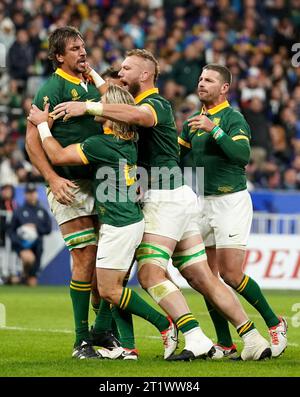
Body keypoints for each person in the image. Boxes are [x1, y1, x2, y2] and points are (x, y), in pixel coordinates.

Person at [51, 49, 272, 361]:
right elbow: (116, 101)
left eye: (126, 68)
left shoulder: (154, 104)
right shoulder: (133, 102)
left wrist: (86, 106)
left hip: (163, 198)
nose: (121, 72)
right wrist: (94, 77)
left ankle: (194, 338)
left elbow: (137, 116)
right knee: (202, 276)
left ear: (144, 75)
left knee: (151, 274)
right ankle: (252, 337)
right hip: (180, 197)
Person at [27, 84, 178, 360]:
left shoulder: (102, 144)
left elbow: (58, 156)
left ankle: (165, 325)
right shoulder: (127, 142)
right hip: (129, 220)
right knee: (110, 285)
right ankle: (111, 338)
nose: (99, 103)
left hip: (119, 225)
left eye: (104, 102)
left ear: (113, 115)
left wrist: (42, 126)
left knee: (109, 289)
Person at [178, 63, 287, 358]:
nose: (202, 83)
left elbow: (242, 156)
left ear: (224, 88)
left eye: (209, 80)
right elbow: (175, 156)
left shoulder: (232, 118)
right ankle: (225, 343)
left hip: (231, 200)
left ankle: (275, 323)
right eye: (200, 78)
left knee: (231, 274)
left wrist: (214, 130)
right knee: (204, 275)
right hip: (203, 202)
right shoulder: (193, 121)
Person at [25, 26, 120, 359]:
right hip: (69, 184)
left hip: (100, 183)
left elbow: (113, 102)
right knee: (85, 257)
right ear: (58, 56)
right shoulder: (51, 89)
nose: (82, 52)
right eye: (75, 49)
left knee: (111, 258)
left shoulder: (90, 83)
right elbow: (31, 140)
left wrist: (93, 73)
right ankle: (82, 340)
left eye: (84, 46)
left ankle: (103, 330)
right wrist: (51, 178)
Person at [8, 183, 52, 286]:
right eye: (29, 192)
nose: (31, 195)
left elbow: (48, 229)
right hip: (22, 245)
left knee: (32, 283)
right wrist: (21, 246)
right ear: (25, 194)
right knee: (29, 258)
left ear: (36, 193)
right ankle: (22, 276)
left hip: (37, 246)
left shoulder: (42, 211)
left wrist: (36, 227)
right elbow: (11, 231)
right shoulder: (19, 211)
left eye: (33, 192)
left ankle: (25, 277)